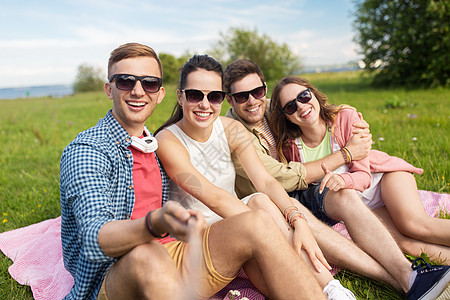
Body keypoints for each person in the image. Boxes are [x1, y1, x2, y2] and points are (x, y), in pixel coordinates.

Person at [59, 43, 326, 300]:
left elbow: (257, 184)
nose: (138, 91)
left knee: (257, 221)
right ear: (109, 89)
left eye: (149, 83)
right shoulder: (88, 150)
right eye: (126, 81)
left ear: (160, 94)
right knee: (146, 255)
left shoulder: (149, 142)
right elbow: (95, 240)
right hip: (116, 275)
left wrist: (283, 228)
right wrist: (155, 224)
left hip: (176, 254)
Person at [223, 60, 450, 300]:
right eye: (241, 96)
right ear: (230, 99)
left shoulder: (275, 109)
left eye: (257, 92)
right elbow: (283, 177)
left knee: (413, 224)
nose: (252, 101)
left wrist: (352, 122)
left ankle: (417, 278)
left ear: (265, 89)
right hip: (279, 196)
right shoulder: (237, 131)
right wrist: (346, 154)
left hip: (372, 178)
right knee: (403, 242)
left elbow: (320, 110)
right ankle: (420, 278)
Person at [155, 54, 356, 299]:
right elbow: (213, 197)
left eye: (214, 96)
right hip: (201, 235)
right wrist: (267, 231)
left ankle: (331, 288)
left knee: (260, 199)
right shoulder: (167, 140)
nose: (205, 105)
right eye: (195, 95)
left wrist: (298, 220)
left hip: (238, 223)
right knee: (263, 225)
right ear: (180, 96)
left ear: (222, 98)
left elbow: (266, 181)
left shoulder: (232, 129)